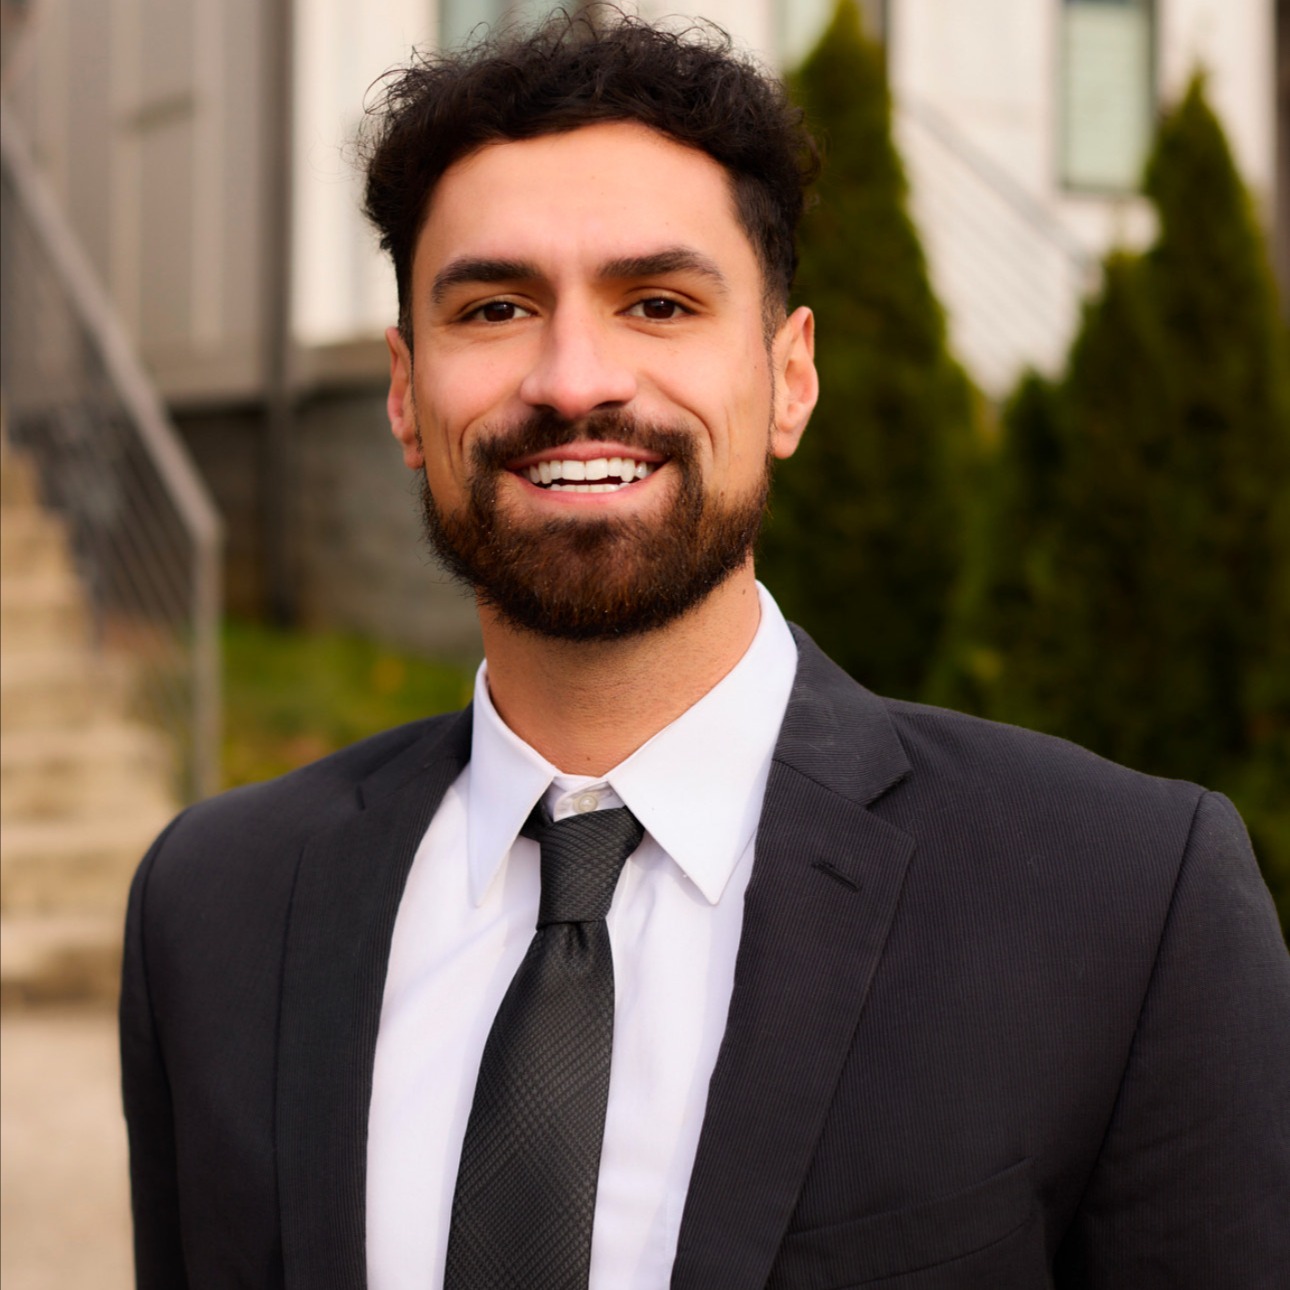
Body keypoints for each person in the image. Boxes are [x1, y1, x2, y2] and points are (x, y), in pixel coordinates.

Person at [120, 12, 1290, 1290]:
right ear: (407, 391)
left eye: (660, 303)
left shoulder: (1121, 903)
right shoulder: (216, 909)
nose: (574, 379)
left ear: (789, 380)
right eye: (496, 305)